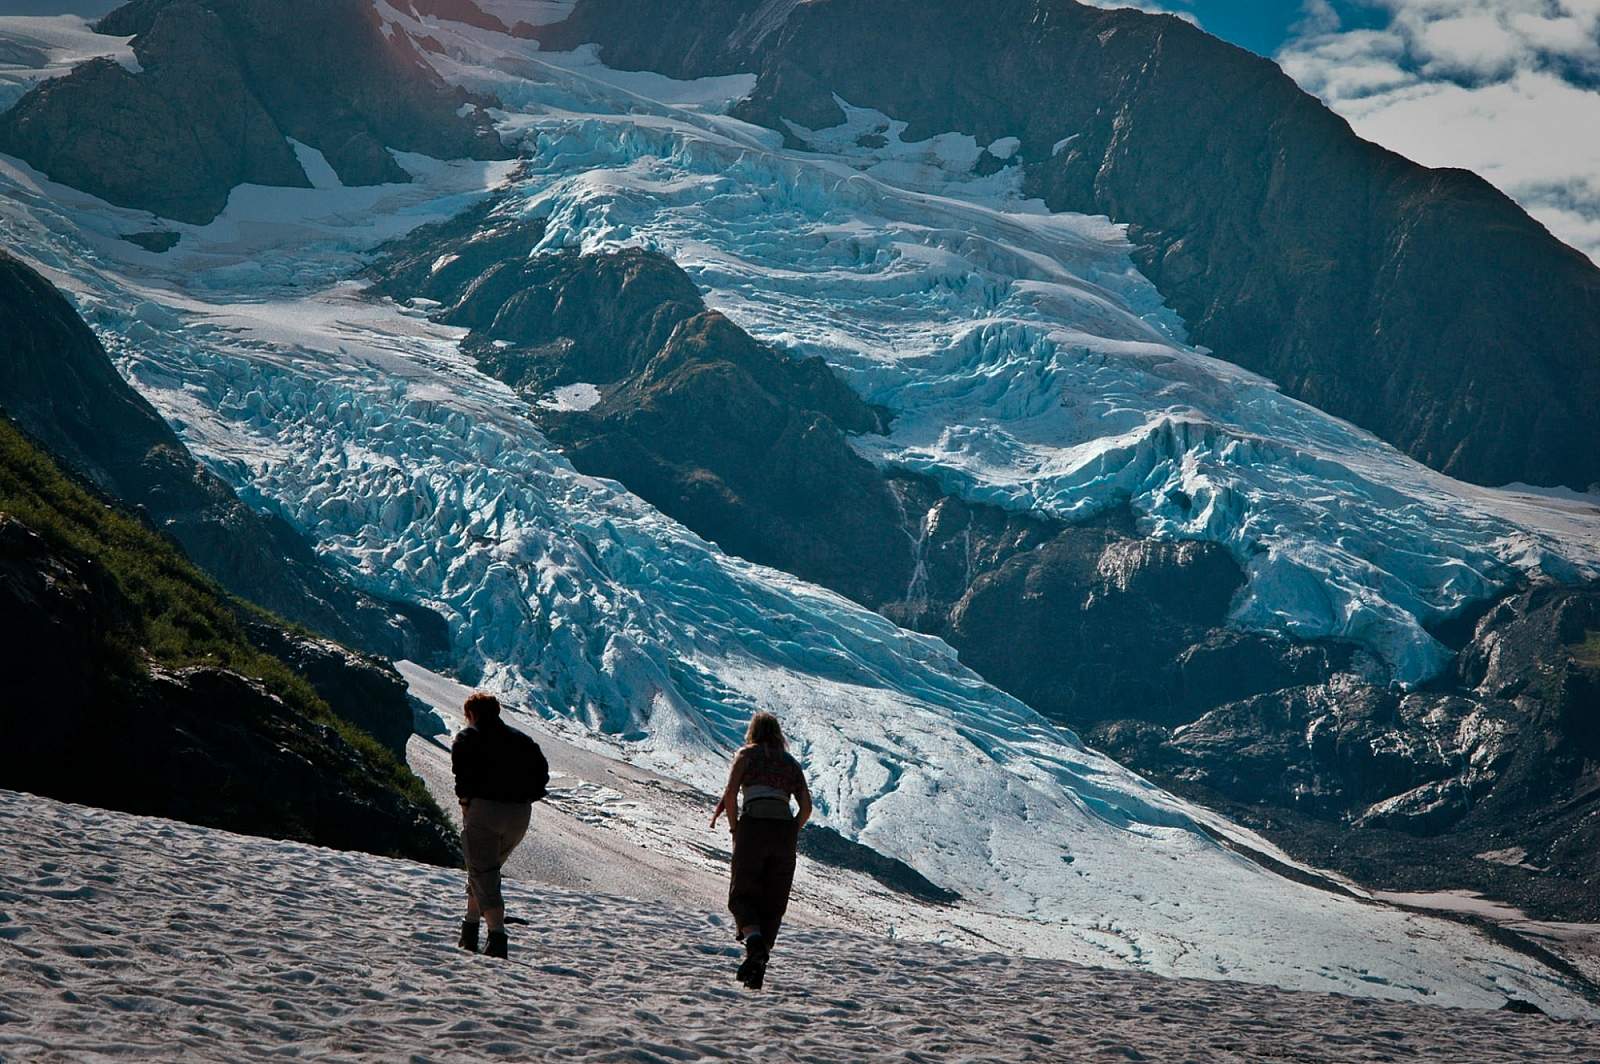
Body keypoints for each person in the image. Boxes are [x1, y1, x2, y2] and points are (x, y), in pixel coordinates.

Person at [711, 711, 812, 990]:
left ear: (753, 731)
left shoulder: (746, 756)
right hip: (784, 832)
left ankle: (754, 945)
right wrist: (791, 830)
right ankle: (757, 971)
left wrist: (735, 829)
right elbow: (806, 808)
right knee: (773, 903)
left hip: (753, 826)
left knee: (742, 895)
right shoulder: (790, 763)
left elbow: (731, 794)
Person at [451, 692, 548, 960]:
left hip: (484, 810)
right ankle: (469, 928)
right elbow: (542, 774)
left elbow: (462, 774)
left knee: (484, 873)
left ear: (471, 714)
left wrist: (466, 802)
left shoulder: (468, 738)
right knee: (485, 871)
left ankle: (497, 937)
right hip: (519, 815)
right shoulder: (522, 740)